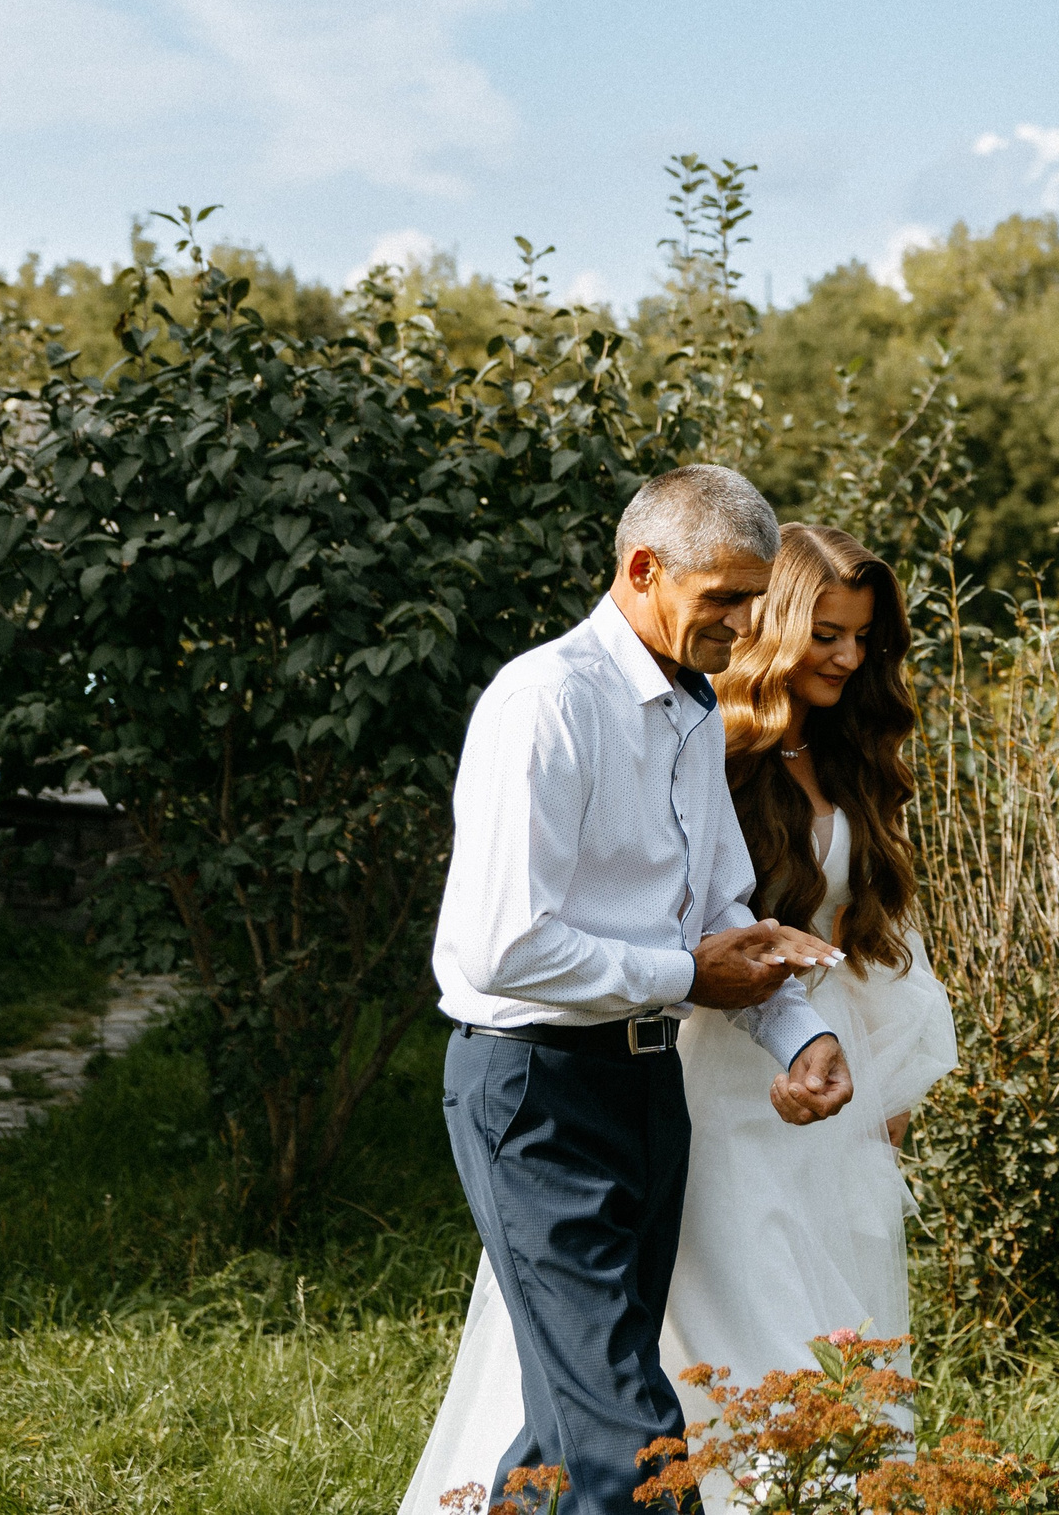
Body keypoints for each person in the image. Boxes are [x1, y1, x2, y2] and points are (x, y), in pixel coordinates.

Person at [403, 522, 956, 1513]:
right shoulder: (585, 710)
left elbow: (763, 926)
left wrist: (829, 1044)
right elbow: (530, 944)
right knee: (643, 1404)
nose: (845, 654)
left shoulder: (734, 728)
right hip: (614, 1079)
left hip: (718, 1081)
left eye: (861, 636)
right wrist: (693, 974)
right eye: (820, 629)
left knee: (584, 1406)